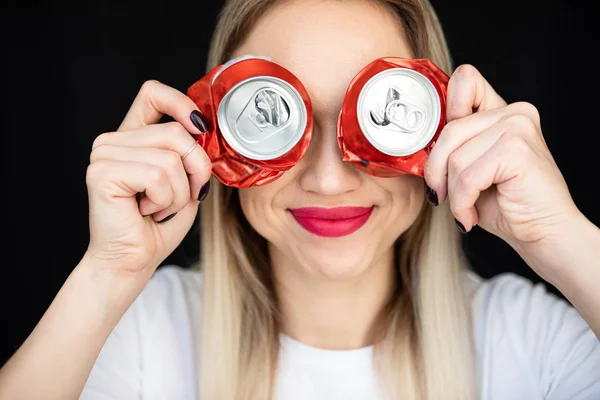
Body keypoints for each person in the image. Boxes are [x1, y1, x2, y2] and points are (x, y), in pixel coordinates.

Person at [1, 0, 599, 399]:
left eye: (377, 118)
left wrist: (563, 239)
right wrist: (107, 275)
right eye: (278, 120)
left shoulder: (528, 341)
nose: (329, 179)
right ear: (214, 133)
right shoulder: (142, 335)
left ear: (439, 126)